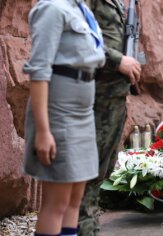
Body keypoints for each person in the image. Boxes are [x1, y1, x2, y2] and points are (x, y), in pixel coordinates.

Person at [22, 0, 105, 235]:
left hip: (83, 112)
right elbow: (39, 71)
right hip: (60, 112)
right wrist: (43, 130)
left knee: (73, 203)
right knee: (56, 203)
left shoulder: (80, 8)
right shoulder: (52, 8)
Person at [78, 0, 142, 235]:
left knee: (104, 165)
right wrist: (118, 60)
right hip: (95, 93)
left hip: (115, 93)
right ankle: (83, 226)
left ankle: (89, 223)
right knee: (89, 165)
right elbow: (80, 35)